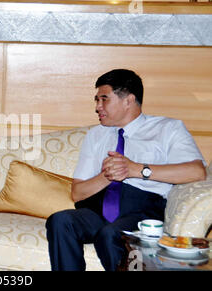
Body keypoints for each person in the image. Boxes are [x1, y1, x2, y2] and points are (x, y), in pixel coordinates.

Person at [46, 69, 206, 271]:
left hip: (143, 208)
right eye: (96, 100)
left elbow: (197, 172)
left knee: (111, 234)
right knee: (61, 220)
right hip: (98, 208)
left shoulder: (168, 128)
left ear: (128, 100)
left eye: (104, 99)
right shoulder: (95, 135)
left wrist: (137, 169)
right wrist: (109, 174)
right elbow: (78, 193)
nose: (98, 107)